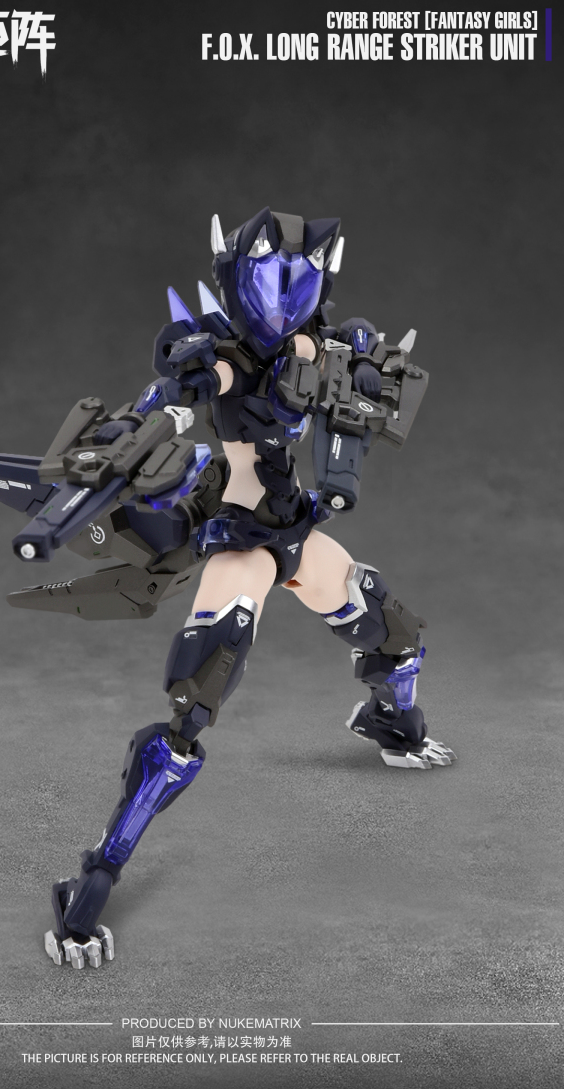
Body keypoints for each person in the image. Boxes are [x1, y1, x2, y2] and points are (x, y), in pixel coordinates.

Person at [42, 208, 456, 970]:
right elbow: (173, 396)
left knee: (392, 630)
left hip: (295, 530)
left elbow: (362, 373)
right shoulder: (224, 360)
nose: (282, 305)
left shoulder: (319, 344)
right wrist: (134, 429)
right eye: (269, 284)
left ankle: (393, 725)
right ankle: (92, 883)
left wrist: (367, 372)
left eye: (298, 287)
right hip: (242, 540)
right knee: (199, 698)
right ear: (238, 279)